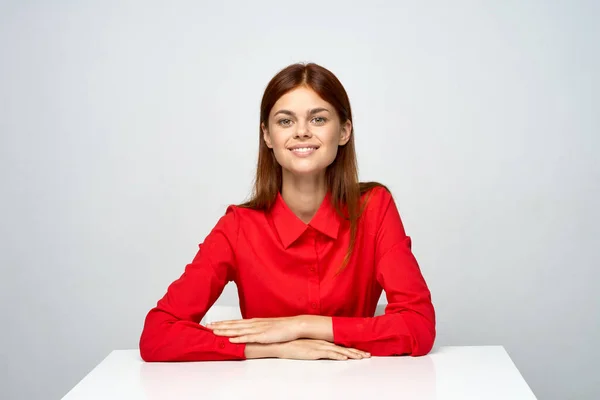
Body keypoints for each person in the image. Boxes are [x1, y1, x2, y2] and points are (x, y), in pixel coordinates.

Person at [139, 62, 436, 362]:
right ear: (267, 136)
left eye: (318, 119)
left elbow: (418, 325)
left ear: (344, 131)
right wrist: (273, 348)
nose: (302, 132)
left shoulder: (374, 207)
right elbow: (157, 335)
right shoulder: (238, 227)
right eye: (285, 121)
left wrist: (298, 326)